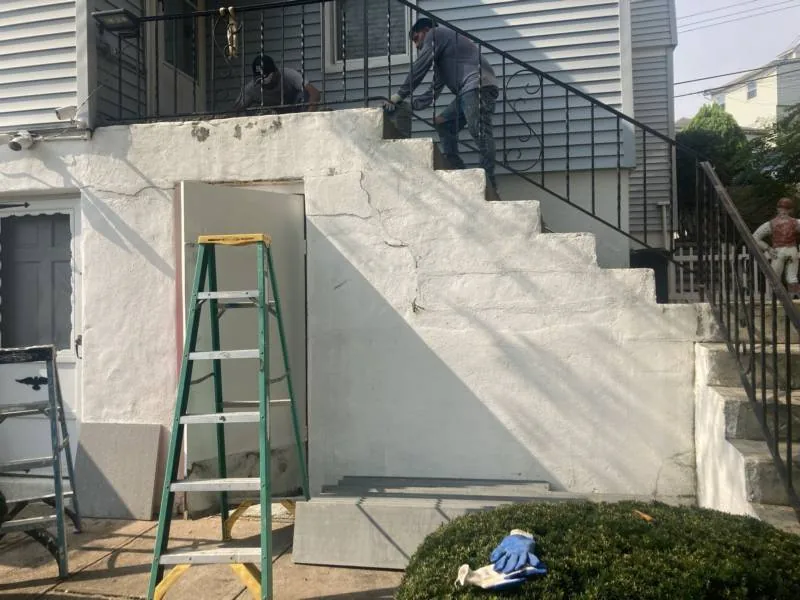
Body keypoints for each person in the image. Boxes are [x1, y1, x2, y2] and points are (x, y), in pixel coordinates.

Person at [384, 18, 500, 193]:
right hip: (467, 91)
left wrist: (397, 96)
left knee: (480, 132)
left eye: (416, 38)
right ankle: (457, 169)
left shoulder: (436, 33)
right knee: (443, 123)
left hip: (478, 86)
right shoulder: (444, 54)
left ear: (425, 30)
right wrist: (408, 105)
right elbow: (434, 91)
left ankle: (489, 184)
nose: (417, 46)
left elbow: (420, 67)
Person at [233, 54, 320, 114]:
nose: (263, 84)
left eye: (266, 79)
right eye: (260, 81)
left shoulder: (288, 74)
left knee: (304, 95)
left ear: (275, 72)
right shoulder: (252, 88)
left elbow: (314, 93)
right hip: (272, 117)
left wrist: (308, 116)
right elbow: (236, 109)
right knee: (253, 107)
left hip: (295, 111)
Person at [753, 197, 800, 295]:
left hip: (778, 251)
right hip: (791, 250)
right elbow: (755, 237)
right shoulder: (796, 222)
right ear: (791, 210)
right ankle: (793, 297)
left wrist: (768, 248)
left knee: (774, 276)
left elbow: (755, 237)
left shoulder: (770, 224)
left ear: (778, 209)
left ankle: (778, 297)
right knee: (791, 277)